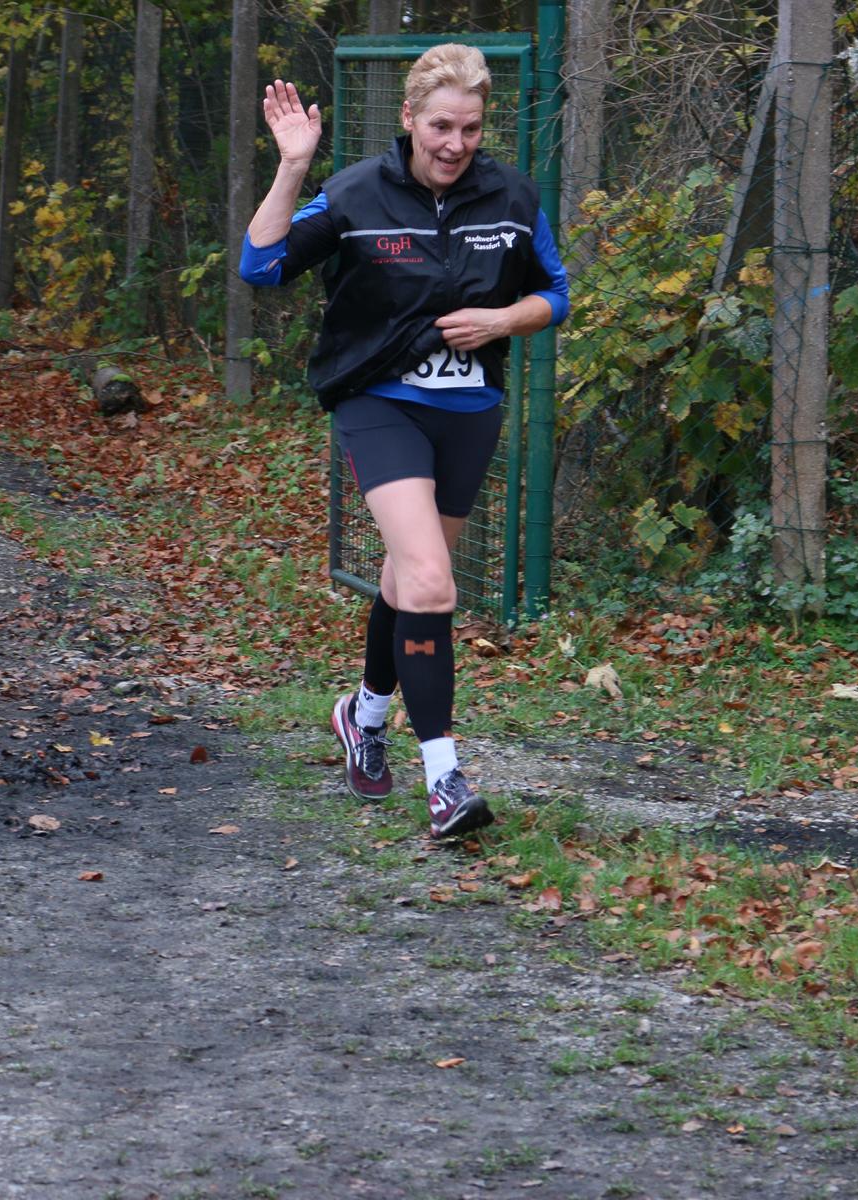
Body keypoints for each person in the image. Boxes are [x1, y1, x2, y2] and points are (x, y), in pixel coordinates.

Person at [239, 44, 569, 840]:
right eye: (441, 126)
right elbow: (262, 266)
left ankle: (362, 714)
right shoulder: (356, 193)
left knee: (407, 578)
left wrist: (503, 319)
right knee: (428, 579)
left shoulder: (513, 197)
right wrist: (293, 167)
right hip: (378, 401)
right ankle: (445, 781)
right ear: (409, 118)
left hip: (470, 409)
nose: (455, 144)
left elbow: (554, 294)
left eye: (471, 129)